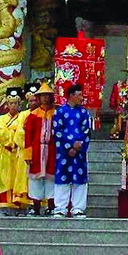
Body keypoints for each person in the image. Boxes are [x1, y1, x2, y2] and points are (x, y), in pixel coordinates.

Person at [52, 83, 91, 218]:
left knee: (79, 179)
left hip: (79, 152)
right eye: (79, 95)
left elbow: (86, 131)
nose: (81, 97)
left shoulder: (84, 112)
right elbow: (57, 131)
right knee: (62, 178)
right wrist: (69, 147)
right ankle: (60, 208)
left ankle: (78, 208)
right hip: (64, 152)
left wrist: (78, 147)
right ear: (71, 96)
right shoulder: (60, 112)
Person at [0, 87, 29, 214]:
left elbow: (22, 132)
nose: (13, 105)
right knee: (5, 179)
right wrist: (10, 141)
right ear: (7, 104)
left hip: (19, 152)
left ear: (20, 104)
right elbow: (1, 132)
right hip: (5, 153)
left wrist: (15, 140)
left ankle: (20, 206)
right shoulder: (2, 119)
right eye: (10, 103)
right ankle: (4, 206)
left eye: (15, 103)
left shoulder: (23, 117)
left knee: (19, 179)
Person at [23, 82, 57, 216]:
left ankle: (51, 206)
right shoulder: (33, 115)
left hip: (52, 149)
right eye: (42, 95)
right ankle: (35, 206)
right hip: (37, 150)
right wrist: (28, 154)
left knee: (51, 178)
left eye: (47, 95)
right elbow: (28, 136)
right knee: (35, 179)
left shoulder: (56, 113)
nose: (45, 98)